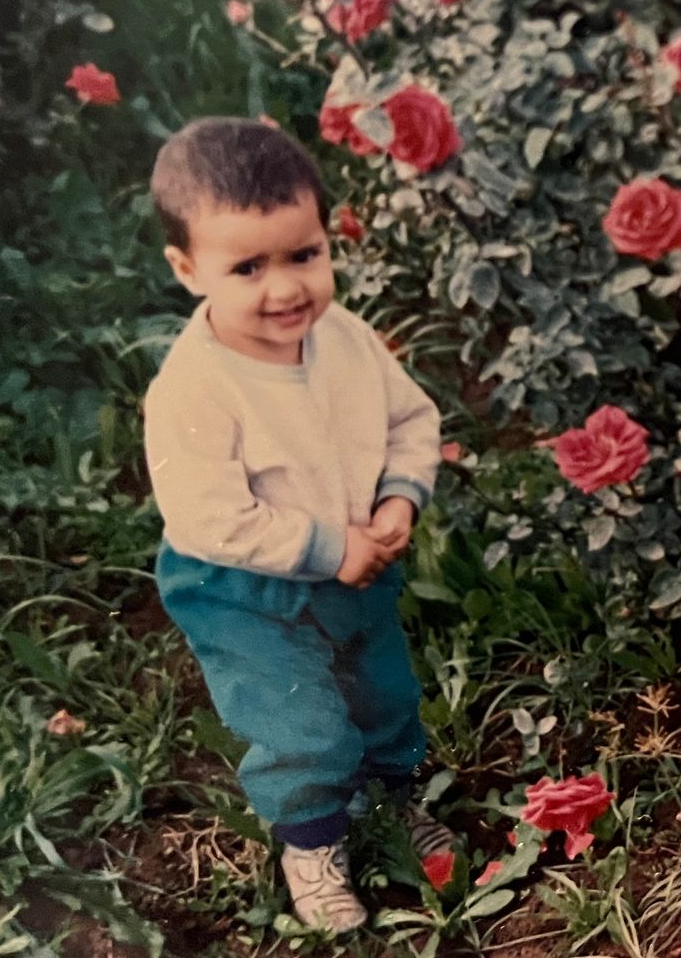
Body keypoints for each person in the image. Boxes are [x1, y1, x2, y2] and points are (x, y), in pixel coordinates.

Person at [143, 117, 451, 931]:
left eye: (303, 255)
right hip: (243, 586)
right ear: (187, 269)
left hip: (355, 559)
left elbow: (410, 420)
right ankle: (312, 843)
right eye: (248, 267)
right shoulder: (196, 388)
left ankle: (392, 805)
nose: (285, 290)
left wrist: (397, 499)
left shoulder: (343, 340)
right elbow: (208, 517)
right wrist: (327, 545)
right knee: (299, 720)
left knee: (383, 694)